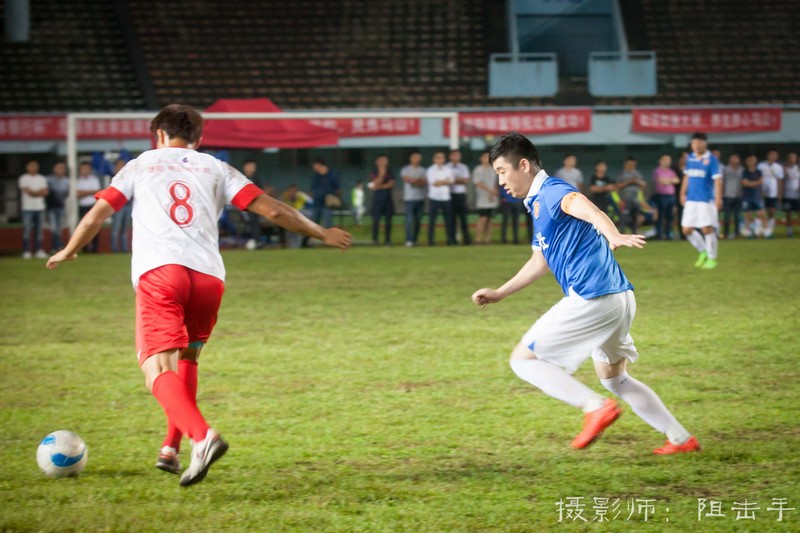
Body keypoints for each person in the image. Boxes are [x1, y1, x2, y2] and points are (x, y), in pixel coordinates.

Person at [46, 104, 352, 487]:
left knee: (157, 369)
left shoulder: (140, 165)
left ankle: (203, 437)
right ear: (199, 138)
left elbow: (97, 215)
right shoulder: (218, 168)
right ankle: (171, 448)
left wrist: (70, 249)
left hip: (162, 273)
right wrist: (322, 233)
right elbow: (274, 211)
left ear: (158, 135)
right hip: (208, 278)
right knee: (187, 358)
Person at [472, 132, 699, 455]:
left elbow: (586, 207)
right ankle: (681, 438)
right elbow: (540, 261)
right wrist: (499, 293)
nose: (501, 182)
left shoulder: (552, 191)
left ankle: (595, 407)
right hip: (618, 298)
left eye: (502, 172)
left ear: (523, 165)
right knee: (615, 379)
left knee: (523, 361)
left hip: (593, 297)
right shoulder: (537, 204)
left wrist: (613, 234)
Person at [679, 132, 722, 269]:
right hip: (691, 199)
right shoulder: (690, 158)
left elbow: (717, 180)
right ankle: (702, 251)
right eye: (693, 143)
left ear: (705, 143)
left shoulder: (712, 159)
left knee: (706, 228)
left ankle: (712, 258)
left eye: (698, 143)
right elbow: (687, 176)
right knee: (686, 229)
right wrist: (682, 193)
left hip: (705, 200)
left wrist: (718, 198)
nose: (696, 146)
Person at [303, 156, 340, 246]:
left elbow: (338, 189)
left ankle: (329, 243)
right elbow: (312, 189)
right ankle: (305, 243)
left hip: (327, 204)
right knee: (312, 224)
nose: (313, 167)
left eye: (314, 165)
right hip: (317, 203)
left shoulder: (332, 175)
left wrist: (334, 197)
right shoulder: (316, 177)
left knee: (328, 224)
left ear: (319, 164)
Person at [18, 159, 49, 259]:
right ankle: (26, 251)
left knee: (39, 231)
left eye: (35, 166)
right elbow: (27, 191)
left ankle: (39, 250)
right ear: (27, 167)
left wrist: (33, 192)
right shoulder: (23, 178)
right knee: (27, 230)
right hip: (27, 208)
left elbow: (45, 192)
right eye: (31, 166)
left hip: (40, 207)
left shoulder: (42, 178)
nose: (33, 168)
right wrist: (38, 192)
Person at [427, 150, 455, 246]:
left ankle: (450, 240)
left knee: (448, 220)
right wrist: (445, 181)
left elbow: (451, 181)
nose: (439, 159)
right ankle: (431, 241)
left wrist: (441, 182)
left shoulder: (448, 169)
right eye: (437, 157)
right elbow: (434, 183)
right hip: (434, 198)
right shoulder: (430, 170)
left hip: (446, 198)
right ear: (434, 159)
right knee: (432, 220)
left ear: (444, 159)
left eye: (441, 157)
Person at [401, 150, 427, 247]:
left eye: (418, 157)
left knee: (418, 220)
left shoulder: (423, 170)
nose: (417, 159)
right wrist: (418, 181)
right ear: (411, 158)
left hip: (420, 198)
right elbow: (406, 179)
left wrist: (413, 181)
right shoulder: (405, 169)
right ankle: (409, 239)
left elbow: (424, 182)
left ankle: (415, 239)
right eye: (415, 157)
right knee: (409, 220)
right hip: (409, 198)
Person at [472, 151, 499, 245]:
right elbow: (478, 183)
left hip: (492, 198)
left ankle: (488, 239)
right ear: (481, 158)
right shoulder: (478, 169)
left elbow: (496, 182)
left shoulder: (493, 169)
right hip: (482, 199)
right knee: (482, 218)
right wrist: (490, 191)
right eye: (485, 157)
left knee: (489, 220)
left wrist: (493, 192)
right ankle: (478, 239)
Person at [757, 148, 783, 238]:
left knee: (772, 212)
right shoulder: (761, 165)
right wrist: (759, 190)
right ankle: (760, 230)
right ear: (768, 155)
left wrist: (779, 193)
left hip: (773, 192)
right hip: (762, 192)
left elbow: (780, 181)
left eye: (775, 155)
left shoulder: (778, 167)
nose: (773, 156)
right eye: (771, 154)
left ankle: (769, 230)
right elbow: (757, 177)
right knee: (761, 212)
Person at [652, 155, 680, 240]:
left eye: (669, 160)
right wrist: (671, 180)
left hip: (671, 196)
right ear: (661, 161)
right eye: (666, 160)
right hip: (661, 196)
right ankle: (659, 234)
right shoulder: (658, 170)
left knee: (670, 217)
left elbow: (677, 180)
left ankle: (668, 234)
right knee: (661, 216)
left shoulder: (671, 171)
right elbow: (661, 181)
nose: (668, 162)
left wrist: (667, 180)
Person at [369, 155, 395, 246]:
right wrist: (381, 174)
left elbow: (391, 184)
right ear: (377, 162)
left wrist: (379, 187)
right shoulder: (374, 172)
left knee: (388, 221)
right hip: (377, 200)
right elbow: (376, 183)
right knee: (376, 221)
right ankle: (375, 240)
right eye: (381, 160)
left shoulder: (390, 172)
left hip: (388, 200)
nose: (383, 162)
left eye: (385, 161)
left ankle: (388, 240)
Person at [76, 162, 102, 253]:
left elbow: (97, 192)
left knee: (95, 226)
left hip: (93, 206)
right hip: (82, 206)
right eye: (83, 169)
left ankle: (95, 249)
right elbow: (78, 194)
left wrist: (84, 192)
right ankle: (85, 248)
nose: (85, 171)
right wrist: (90, 192)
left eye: (87, 169)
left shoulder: (94, 179)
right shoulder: (77, 180)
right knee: (84, 227)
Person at [617, 157, 647, 234]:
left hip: (635, 199)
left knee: (635, 216)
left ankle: (634, 232)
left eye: (633, 164)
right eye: (629, 164)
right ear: (625, 164)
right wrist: (628, 182)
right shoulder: (622, 174)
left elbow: (643, 184)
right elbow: (617, 186)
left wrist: (636, 181)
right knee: (624, 216)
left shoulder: (637, 174)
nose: (631, 166)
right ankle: (622, 232)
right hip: (625, 199)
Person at [447, 149, 471, 245]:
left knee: (463, 218)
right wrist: (457, 180)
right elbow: (448, 181)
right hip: (450, 195)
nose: (456, 157)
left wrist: (453, 180)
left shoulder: (463, 167)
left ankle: (466, 240)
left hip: (461, 195)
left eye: (458, 155)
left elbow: (465, 181)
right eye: (454, 155)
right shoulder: (446, 167)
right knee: (451, 218)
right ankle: (452, 240)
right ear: (450, 156)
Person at [110, 159, 133, 252]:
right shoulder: (114, 178)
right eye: (120, 165)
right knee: (115, 229)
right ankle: (114, 249)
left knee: (124, 230)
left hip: (127, 205)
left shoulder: (129, 178)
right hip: (118, 206)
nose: (122, 167)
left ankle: (124, 249)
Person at [740, 155, 766, 238]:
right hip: (747, 196)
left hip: (757, 196)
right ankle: (749, 232)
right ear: (746, 162)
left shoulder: (759, 172)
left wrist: (750, 183)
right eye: (750, 160)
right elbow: (744, 183)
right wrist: (756, 183)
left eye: (753, 160)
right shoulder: (745, 172)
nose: (751, 162)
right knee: (748, 214)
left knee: (761, 213)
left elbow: (761, 182)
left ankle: (762, 231)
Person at [46, 161, 70, 251]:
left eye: (63, 168)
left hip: (61, 207)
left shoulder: (66, 181)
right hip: (51, 207)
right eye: (59, 168)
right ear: (54, 169)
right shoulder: (48, 180)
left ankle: (58, 247)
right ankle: (56, 246)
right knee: (54, 228)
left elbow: (66, 194)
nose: (61, 170)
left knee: (59, 229)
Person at [721, 154, 743, 239]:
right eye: (732, 158)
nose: (734, 160)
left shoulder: (741, 169)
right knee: (727, 216)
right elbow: (722, 182)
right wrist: (721, 193)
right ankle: (726, 233)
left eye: (736, 158)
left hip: (738, 195)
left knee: (737, 216)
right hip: (727, 195)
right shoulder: (725, 169)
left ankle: (737, 233)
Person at [783, 152, 800, 237]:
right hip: (787, 195)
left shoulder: (798, 168)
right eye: (790, 157)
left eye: (794, 157)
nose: (792, 159)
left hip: (797, 196)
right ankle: (789, 231)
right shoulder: (784, 168)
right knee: (788, 213)